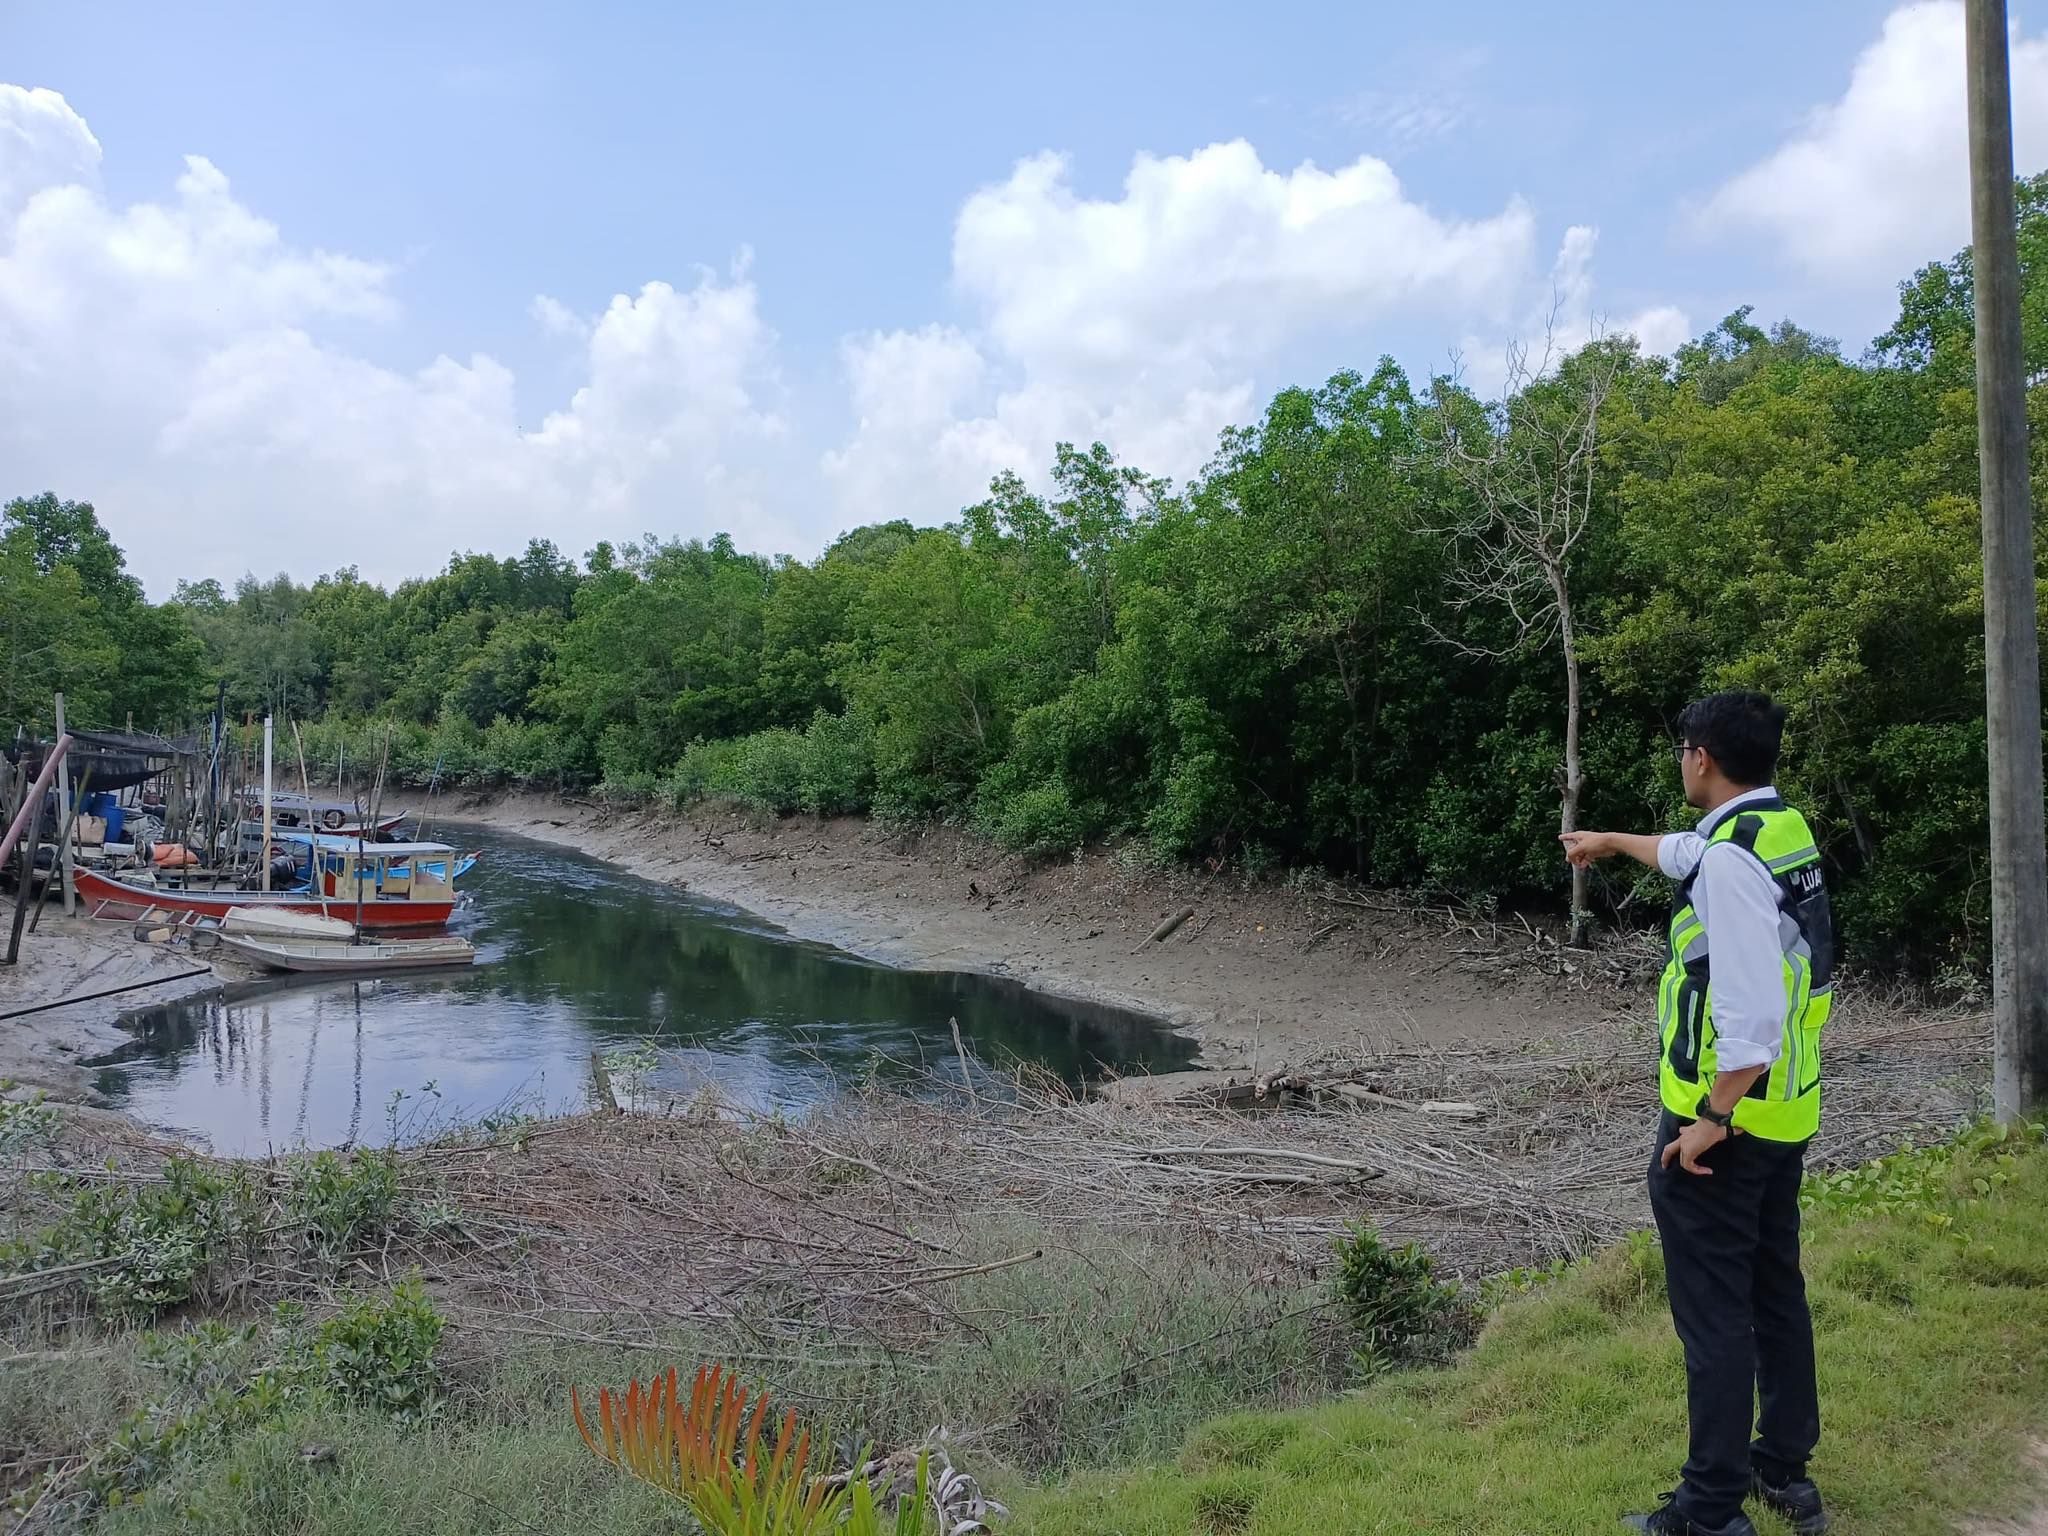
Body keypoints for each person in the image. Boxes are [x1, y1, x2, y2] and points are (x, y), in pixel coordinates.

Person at [1560, 691, 1834, 1536]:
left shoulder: (1731, 864)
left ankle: (1709, 1510)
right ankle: (1782, 1466)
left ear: (1701, 758)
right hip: (1784, 1117)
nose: (1682, 761)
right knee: (1773, 1290)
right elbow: (1688, 851)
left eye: (1684, 750)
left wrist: (1709, 1120)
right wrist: (1609, 842)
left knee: (1715, 1319)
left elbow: (1747, 1022)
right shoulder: (1774, 830)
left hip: (1722, 1130)